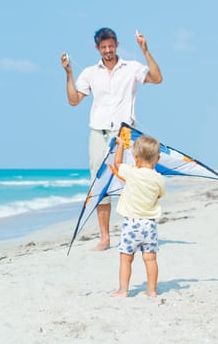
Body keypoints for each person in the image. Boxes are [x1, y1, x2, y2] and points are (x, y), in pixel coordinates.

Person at [61, 27, 162, 251]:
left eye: (111, 46)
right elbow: (73, 100)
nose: (107, 50)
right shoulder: (89, 73)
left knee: (133, 180)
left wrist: (145, 50)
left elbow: (157, 78)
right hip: (99, 132)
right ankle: (105, 238)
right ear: (97, 48)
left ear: (116, 45)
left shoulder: (131, 68)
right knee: (100, 184)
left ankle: (134, 230)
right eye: (103, 47)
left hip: (125, 132)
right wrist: (68, 73)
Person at [110, 135, 165, 297]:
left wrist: (120, 145)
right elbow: (159, 195)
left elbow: (118, 163)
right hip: (150, 225)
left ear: (135, 158)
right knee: (150, 259)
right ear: (158, 158)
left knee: (126, 258)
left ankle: (123, 290)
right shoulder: (159, 179)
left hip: (132, 224)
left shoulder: (132, 172)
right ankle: (152, 290)